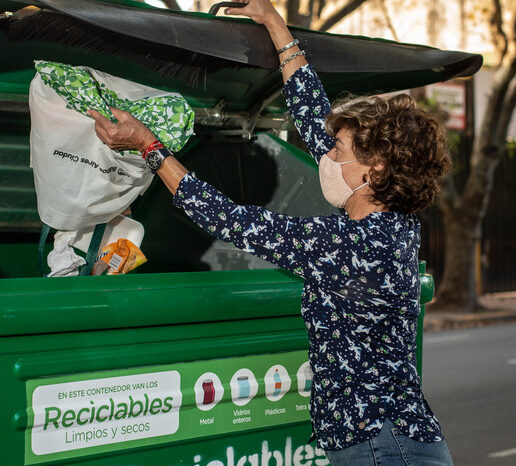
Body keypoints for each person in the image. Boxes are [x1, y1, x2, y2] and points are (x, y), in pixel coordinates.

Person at [87, 1, 453, 464]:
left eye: (338, 149)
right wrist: (277, 27)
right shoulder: (391, 221)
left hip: (381, 447)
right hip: (386, 439)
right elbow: (315, 119)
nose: (326, 155)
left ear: (375, 168)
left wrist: (149, 147)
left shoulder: (350, 245)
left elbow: (230, 219)